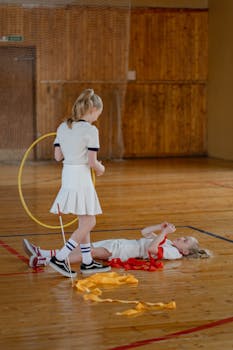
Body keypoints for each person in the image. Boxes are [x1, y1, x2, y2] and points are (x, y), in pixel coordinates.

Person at [48, 88, 110, 278]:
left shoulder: (62, 127)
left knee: (85, 219)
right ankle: (61, 257)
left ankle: (88, 262)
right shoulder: (91, 130)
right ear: (92, 110)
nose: (98, 117)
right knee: (90, 221)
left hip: (68, 176)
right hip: (82, 178)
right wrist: (101, 169)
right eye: (99, 113)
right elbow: (92, 162)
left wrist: (72, 148)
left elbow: (58, 156)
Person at [23, 222, 210, 269]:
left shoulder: (173, 253)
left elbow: (152, 250)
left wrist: (163, 233)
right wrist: (159, 227)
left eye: (184, 241)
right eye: (183, 237)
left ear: (184, 251)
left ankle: (45, 262)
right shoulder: (168, 242)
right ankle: (44, 253)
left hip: (125, 251)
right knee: (82, 248)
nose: (181, 238)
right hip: (123, 243)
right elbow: (144, 232)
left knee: (88, 253)